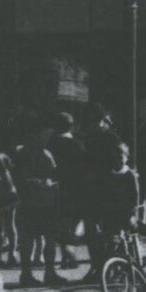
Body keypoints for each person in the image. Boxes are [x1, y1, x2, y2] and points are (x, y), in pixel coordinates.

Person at [15, 123, 65, 288]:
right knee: (27, 240)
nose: (46, 139)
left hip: (47, 202)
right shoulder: (23, 154)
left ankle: (49, 272)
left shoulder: (46, 154)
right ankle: (27, 273)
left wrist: (53, 184)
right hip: (30, 202)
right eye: (44, 135)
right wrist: (40, 183)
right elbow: (21, 178)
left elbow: (54, 172)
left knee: (50, 239)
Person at [81, 109, 126, 282]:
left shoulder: (111, 138)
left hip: (108, 190)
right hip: (93, 191)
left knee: (109, 230)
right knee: (93, 231)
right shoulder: (89, 138)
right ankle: (98, 266)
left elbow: (118, 163)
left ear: (101, 121)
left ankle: (113, 267)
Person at [45, 111, 86, 269]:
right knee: (74, 222)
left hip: (56, 187)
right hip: (74, 188)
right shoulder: (77, 144)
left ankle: (64, 254)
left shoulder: (51, 144)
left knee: (60, 221)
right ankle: (70, 250)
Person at [0, 136, 19, 267]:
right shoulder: (3, 156)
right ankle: (12, 254)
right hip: (10, 192)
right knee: (10, 225)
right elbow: (12, 170)